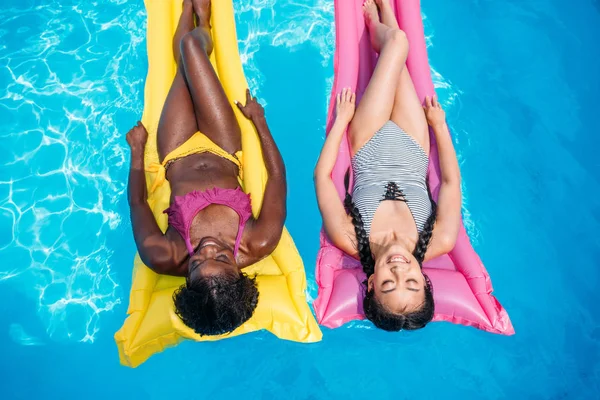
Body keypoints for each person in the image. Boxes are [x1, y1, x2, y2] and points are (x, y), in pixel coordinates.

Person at [125, 0, 286, 336]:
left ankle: (188, 14)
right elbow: (277, 178)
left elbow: (137, 204)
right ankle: (204, 22)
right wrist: (260, 121)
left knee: (185, 65)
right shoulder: (259, 242)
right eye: (223, 258)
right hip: (223, 144)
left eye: (197, 263)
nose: (207, 248)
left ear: (186, 278)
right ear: (241, 273)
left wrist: (137, 150)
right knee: (189, 49)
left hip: (176, 149)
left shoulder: (161, 255)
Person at [314, 0, 462, 331]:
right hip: (413, 141)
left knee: (398, 44)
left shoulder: (351, 239)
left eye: (387, 284)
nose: (399, 271)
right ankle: (389, 18)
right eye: (411, 282)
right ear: (425, 280)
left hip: (367, 139)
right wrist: (439, 126)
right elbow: (451, 183)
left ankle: (378, 24)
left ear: (369, 284)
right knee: (398, 47)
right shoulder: (441, 239)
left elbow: (322, 178)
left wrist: (341, 123)